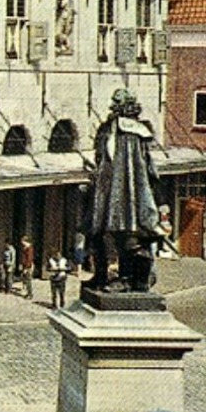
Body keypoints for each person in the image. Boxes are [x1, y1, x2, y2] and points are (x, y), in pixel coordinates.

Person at [85, 88, 163, 292]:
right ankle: (101, 275)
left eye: (117, 103)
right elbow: (102, 157)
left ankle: (130, 278)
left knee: (128, 235)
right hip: (105, 188)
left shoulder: (132, 133)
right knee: (96, 232)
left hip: (125, 191)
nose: (113, 107)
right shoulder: (108, 128)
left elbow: (141, 167)